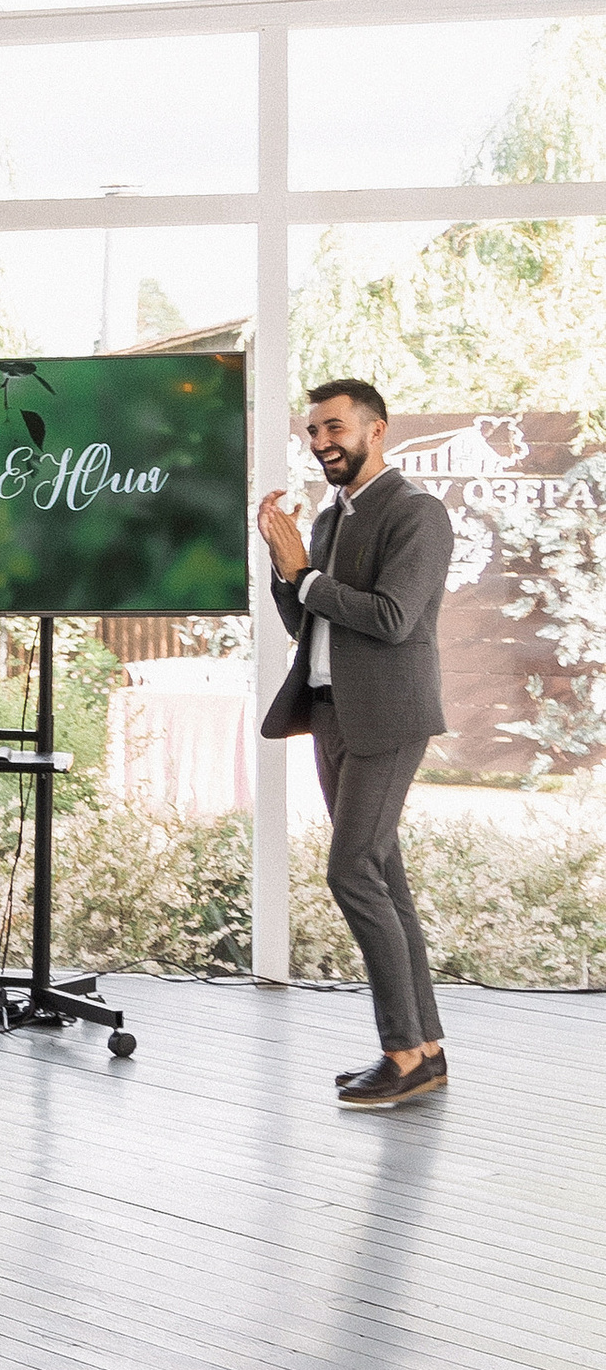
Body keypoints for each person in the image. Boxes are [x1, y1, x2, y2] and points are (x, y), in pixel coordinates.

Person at [258, 378, 454, 1111]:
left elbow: (393, 618)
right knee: (383, 878)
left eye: (334, 427)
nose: (320, 442)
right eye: (313, 430)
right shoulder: (329, 520)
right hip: (332, 714)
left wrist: (304, 574)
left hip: (389, 718)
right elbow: (305, 620)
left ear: (377, 430)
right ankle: (425, 1050)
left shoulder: (417, 513)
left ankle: (401, 1054)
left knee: (352, 873)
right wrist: (284, 565)